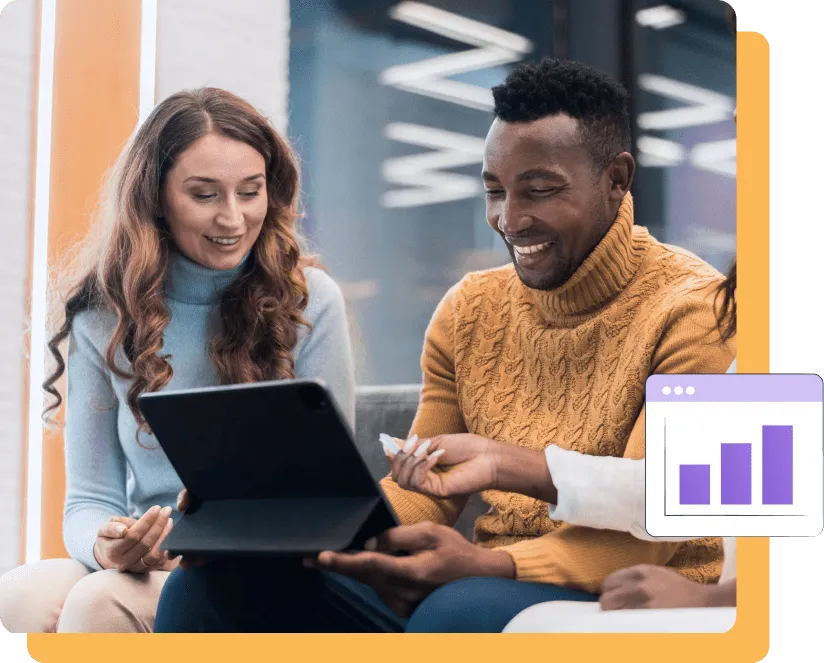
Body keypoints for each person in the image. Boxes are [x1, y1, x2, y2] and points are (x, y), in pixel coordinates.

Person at [154, 57, 734, 634]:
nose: (510, 219)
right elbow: (424, 489)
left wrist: (495, 563)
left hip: (622, 588)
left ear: (617, 179)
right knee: (210, 582)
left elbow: (658, 521)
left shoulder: (696, 311)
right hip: (479, 582)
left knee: (452, 612)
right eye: (495, 191)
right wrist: (323, 537)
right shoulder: (469, 309)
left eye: (540, 191)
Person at [0, 88, 355, 634]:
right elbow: (90, 498)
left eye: (250, 191)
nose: (233, 218)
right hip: (151, 561)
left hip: (261, 567)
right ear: (156, 197)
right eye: (204, 194)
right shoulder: (105, 313)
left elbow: (330, 494)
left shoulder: (310, 300)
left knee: (99, 604)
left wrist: (205, 544)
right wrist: (109, 544)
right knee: (19, 595)